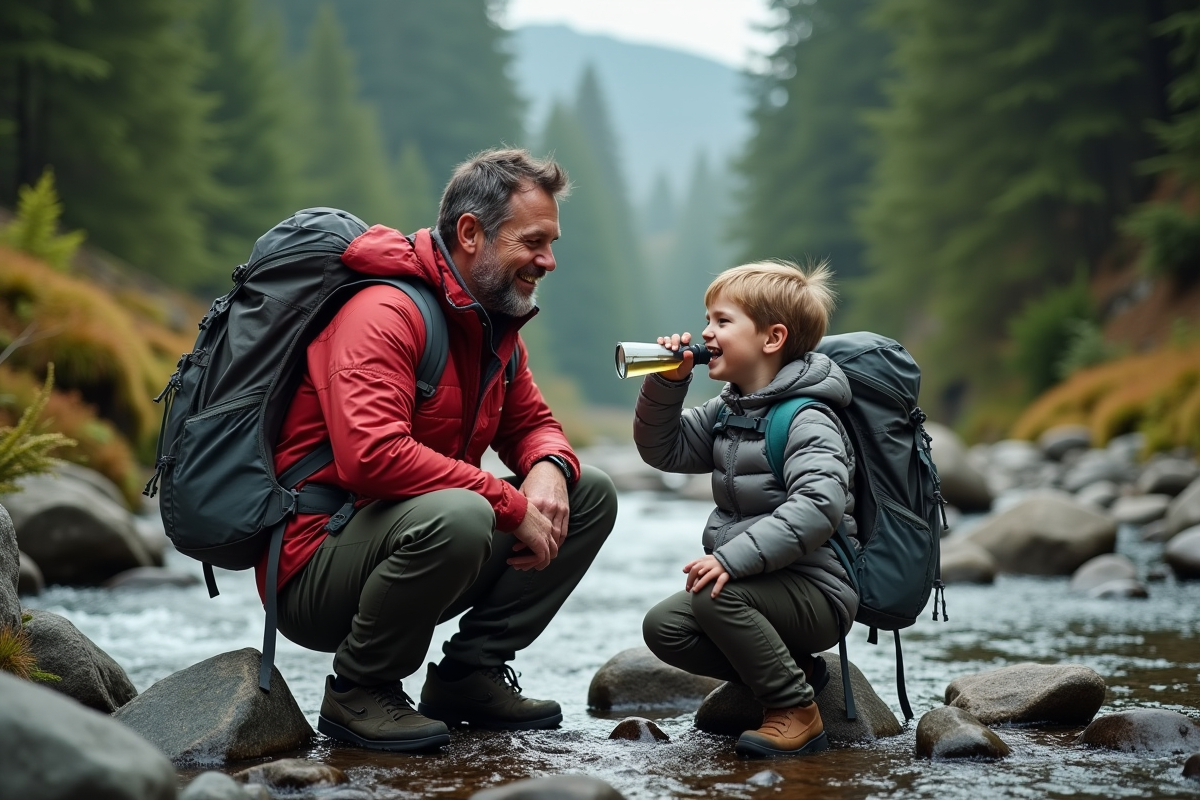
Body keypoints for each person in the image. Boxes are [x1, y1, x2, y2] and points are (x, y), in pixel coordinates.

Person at [258, 149, 618, 752]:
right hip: (314, 564)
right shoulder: (385, 311)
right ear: (471, 234)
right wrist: (508, 501)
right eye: (533, 241)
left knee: (589, 493)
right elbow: (370, 455)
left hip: (413, 540)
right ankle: (359, 690)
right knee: (466, 510)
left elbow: (534, 424)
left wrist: (552, 468)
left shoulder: (492, 325)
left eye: (552, 243)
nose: (548, 261)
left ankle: (467, 677)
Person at [632, 260, 858, 758]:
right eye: (707, 320)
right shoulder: (731, 408)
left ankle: (795, 709)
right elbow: (663, 451)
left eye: (722, 321)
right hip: (762, 585)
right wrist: (667, 384)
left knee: (716, 595)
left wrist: (731, 560)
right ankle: (796, 670)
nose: (706, 334)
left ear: (772, 338)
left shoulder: (808, 416)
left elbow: (820, 505)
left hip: (819, 589)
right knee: (665, 625)